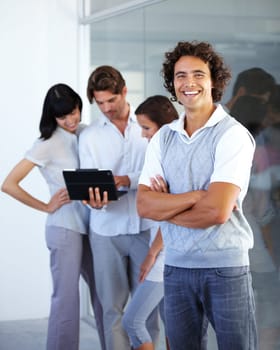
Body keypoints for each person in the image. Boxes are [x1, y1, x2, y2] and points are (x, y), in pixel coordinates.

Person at [137, 41, 258, 350]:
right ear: (172, 83)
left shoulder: (232, 135)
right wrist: (194, 196)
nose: (189, 83)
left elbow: (216, 212)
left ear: (213, 81)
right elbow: (144, 204)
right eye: (180, 76)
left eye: (198, 74)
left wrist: (167, 206)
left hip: (225, 269)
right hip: (176, 268)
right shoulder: (163, 137)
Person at [1, 84, 105, 350]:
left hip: (95, 226)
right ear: (52, 117)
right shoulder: (47, 143)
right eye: (63, 117)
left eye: (75, 112)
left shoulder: (85, 133)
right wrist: (46, 206)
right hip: (64, 229)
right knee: (67, 300)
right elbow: (9, 183)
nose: (71, 120)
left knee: (105, 295)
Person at [78, 66, 160, 350]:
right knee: (111, 309)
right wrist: (92, 198)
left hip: (145, 228)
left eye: (111, 100)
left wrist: (128, 180)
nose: (106, 108)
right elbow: (87, 180)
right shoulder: (89, 136)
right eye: (99, 103)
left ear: (125, 92)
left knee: (147, 311)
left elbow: (160, 174)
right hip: (105, 230)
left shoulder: (150, 126)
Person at [122, 95, 179, 350]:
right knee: (172, 323)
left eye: (146, 128)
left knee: (132, 321)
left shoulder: (171, 162)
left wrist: (152, 253)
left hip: (165, 253)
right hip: (165, 250)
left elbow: (171, 215)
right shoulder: (161, 156)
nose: (143, 135)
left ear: (163, 126)